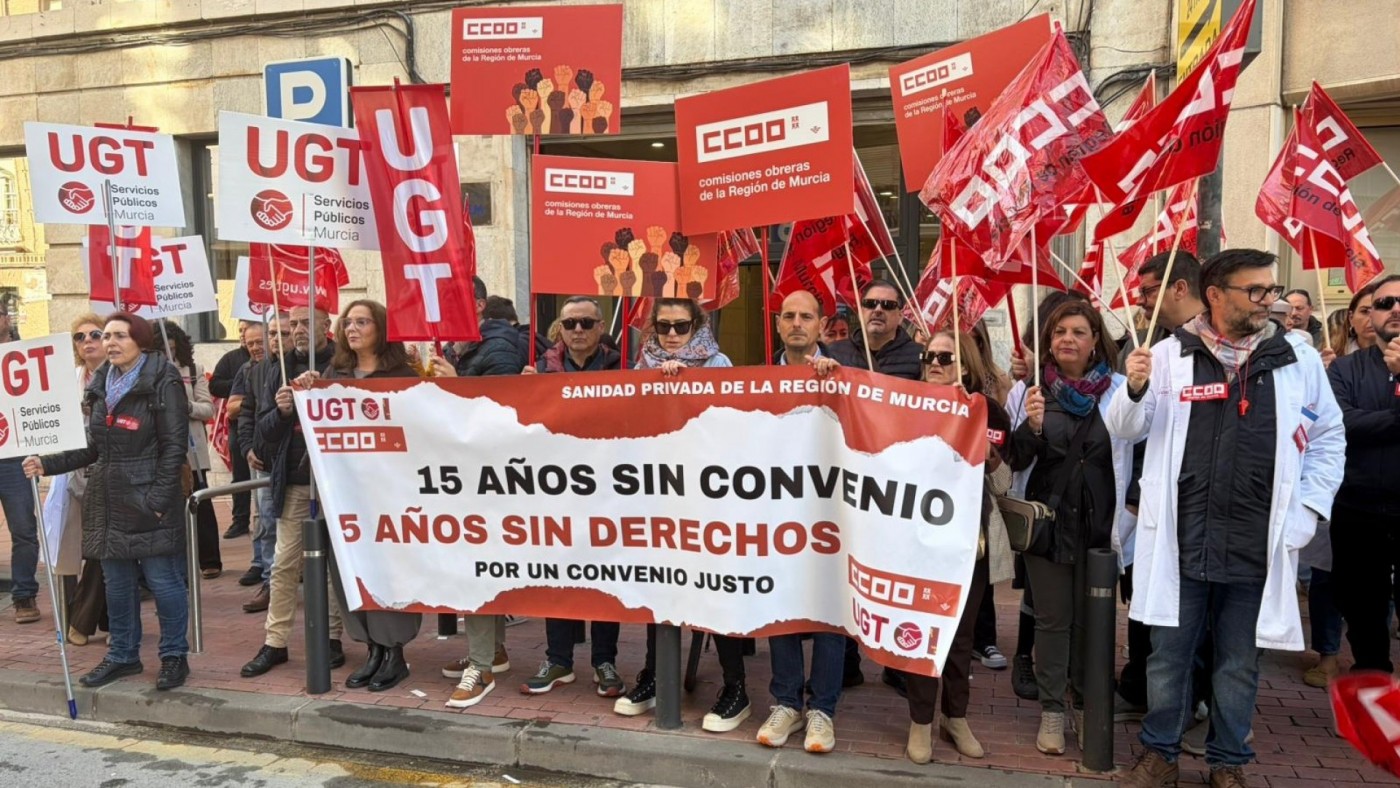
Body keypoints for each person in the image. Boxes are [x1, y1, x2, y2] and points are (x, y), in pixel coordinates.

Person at [1112, 249, 1345, 788]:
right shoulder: (1169, 356)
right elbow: (1126, 429)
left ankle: (1228, 764)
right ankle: (1159, 756)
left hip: (1255, 543)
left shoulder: (1296, 360)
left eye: (1272, 288)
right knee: (1168, 660)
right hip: (1182, 538)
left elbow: (1329, 438)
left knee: (1238, 664)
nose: (1271, 300)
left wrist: (1309, 509)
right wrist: (1135, 386)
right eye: (1256, 291)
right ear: (1215, 295)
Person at [23, 312, 193, 690]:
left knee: (163, 581)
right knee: (116, 584)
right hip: (109, 499)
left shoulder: (162, 379)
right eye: (107, 336)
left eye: (119, 336)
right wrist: (47, 462)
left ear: (141, 340)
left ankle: (173, 656)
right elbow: (94, 446)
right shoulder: (102, 383)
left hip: (149, 497)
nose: (109, 343)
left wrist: (159, 500)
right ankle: (123, 656)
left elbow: (173, 447)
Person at [615, 298, 750, 732]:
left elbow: (734, 422)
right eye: (664, 325)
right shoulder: (643, 364)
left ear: (698, 325)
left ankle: (735, 688)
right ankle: (654, 677)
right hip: (660, 499)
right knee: (660, 592)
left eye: (682, 325)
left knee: (716, 591)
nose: (672, 334)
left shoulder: (719, 362)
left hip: (709, 501)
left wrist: (688, 385)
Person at [306, 300, 454, 692]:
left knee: (390, 567)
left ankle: (394, 653)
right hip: (344, 495)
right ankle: (371, 646)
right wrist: (301, 397)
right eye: (347, 322)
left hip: (390, 495)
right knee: (349, 568)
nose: (352, 328)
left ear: (381, 328)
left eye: (362, 321)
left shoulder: (403, 374)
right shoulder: (331, 374)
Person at [1006, 301, 1132, 755]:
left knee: (1092, 621)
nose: (1067, 339)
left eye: (1078, 331)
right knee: (1053, 619)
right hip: (1049, 527)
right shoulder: (1030, 391)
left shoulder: (1121, 391)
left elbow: (1134, 448)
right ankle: (1053, 710)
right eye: (1059, 331)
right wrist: (1033, 429)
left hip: (1100, 526)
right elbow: (1014, 460)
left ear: (1095, 339)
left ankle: (1084, 698)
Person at [903, 330, 1013, 764]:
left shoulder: (989, 412)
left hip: (971, 544)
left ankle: (956, 716)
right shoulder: (903, 408)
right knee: (920, 637)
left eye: (945, 357)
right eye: (928, 355)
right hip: (915, 543)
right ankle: (919, 721)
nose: (934, 362)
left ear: (964, 365)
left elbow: (1006, 486)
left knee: (961, 637)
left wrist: (993, 458)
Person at [756, 290, 845, 753]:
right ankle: (787, 702)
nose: (796, 323)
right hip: (777, 514)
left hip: (831, 516)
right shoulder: (758, 378)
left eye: (805, 316)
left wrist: (839, 385)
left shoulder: (846, 374)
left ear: (821, 325)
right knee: (781, 604)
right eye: (788, 316)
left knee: (830, 609)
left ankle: (823, 711)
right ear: (776, 324)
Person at [522, 296, 625, 697]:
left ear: (601, 327)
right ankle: (558, 659)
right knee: (557, 574)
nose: (578, 330)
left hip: (608, 490)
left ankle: (605, 660)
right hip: (556, 491)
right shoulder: (541, 369)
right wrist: (524, 391)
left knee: (604, 577)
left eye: (586, 322)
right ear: (559, 330)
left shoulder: (623, 368)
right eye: (570, 324)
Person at [241, 306, 346, 679]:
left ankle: (332, 637)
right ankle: (275, 642)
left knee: (333, 567)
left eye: (305, 324)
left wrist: (326, 389)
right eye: (293, 325)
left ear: (325, 326)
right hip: (296, 481)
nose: (298, 331)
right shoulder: (275, 369)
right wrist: (283, 411)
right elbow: (262, 434)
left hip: (336, 483)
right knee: (284, 564)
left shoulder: (342, 362)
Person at [443, 285, 524, 709]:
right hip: (470, 477)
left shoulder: (498, 347)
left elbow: (505, 413)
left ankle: (482, 667)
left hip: (493, 479)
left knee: (477, 566)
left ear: (475, 305)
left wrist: (454, 387)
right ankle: (490, 651)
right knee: (479, 566)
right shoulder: (462, 348)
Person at [1326, 274, 1400, 678]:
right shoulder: (1347, 369)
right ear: (1370, 314)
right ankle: (1374, 686)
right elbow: (1342, 423)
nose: (1396, 310)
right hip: (1359, 506)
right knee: (1362, 606)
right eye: (1386, 302)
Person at [52, 313, 110, 645]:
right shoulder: (69, 378)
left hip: (109, 472)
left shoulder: (118, 375)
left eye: (95, 334)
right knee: (74, 546)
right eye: (79, 336)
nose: (87, 340)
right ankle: (102, 618)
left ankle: (83, 620)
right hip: (72, 474)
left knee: (101, 547)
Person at [154, 320, 221, 579]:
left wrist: (187, 406)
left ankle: (209, 559)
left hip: (191, 447)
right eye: (162, 351)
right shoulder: (148, 372)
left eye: (172, 349)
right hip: (161, 446)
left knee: (200, 502)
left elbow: (209, 409)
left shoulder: (194, 370)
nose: (168, 356)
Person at [234, 316, 287, 613]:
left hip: (298, 463)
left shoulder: (308, 365)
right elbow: (247, 412)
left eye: (282, 333)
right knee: (267, 524)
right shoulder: (255, 371)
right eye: (271, 333)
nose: (274, 339)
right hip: (265, 460)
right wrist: (246, 447)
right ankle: (270, 583)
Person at [0, 307, 40, 624]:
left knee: (24, 530)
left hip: (15, 456)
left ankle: (24, 595)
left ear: (6, 318)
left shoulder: (26, 357)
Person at [227, 320, 268, 588]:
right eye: (249, 343)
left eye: (259, 342)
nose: (254, 348)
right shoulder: (246, 370)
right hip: (258, 451)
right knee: (261, 510)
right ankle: (260, 563)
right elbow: (233, 409)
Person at [827, 281, 922, 380]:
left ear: (900, 317)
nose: (878, 310)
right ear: (860, 313)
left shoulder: (920, 355)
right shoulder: (835, 352)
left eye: (888, 305)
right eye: (870, 304)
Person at [212, 319, 254, 539]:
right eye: (240, 330)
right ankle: (240, 520)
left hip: (264, 425)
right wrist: (240, 384)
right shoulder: (231, 359)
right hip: (239, 425)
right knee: (241, 475)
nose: (242, 334)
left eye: (246, 330)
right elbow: (215, 385)